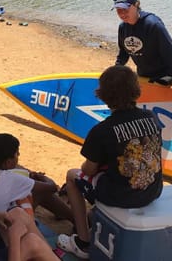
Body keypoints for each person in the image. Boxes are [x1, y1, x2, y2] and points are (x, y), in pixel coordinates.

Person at [56, 65, 163, 259]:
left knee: (72, 176)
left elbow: (88, 170)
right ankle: (95, 218)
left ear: (103, 95)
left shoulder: (102, 130)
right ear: (135, 89)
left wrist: (84, 170)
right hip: (152, 190)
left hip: (121, 196)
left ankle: (83, 242)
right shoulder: (151, 117)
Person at [0, 133, 74, 226]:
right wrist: (42, 177)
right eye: (17, 153)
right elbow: (52, 187)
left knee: (29, 190)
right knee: (38, 193)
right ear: (8, 162)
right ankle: (76, 220)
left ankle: (66, 215)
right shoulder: (10, 178)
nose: (19, 154)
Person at [112, 0, 172, 92]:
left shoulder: (153, 24)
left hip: (163, 77)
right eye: (119, 10)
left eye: (125, 9)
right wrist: (116, 69)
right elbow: (123, 52)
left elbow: (170, 52)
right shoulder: (123, 27)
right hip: (143, 75)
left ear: (136, 5)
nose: (122, 14)